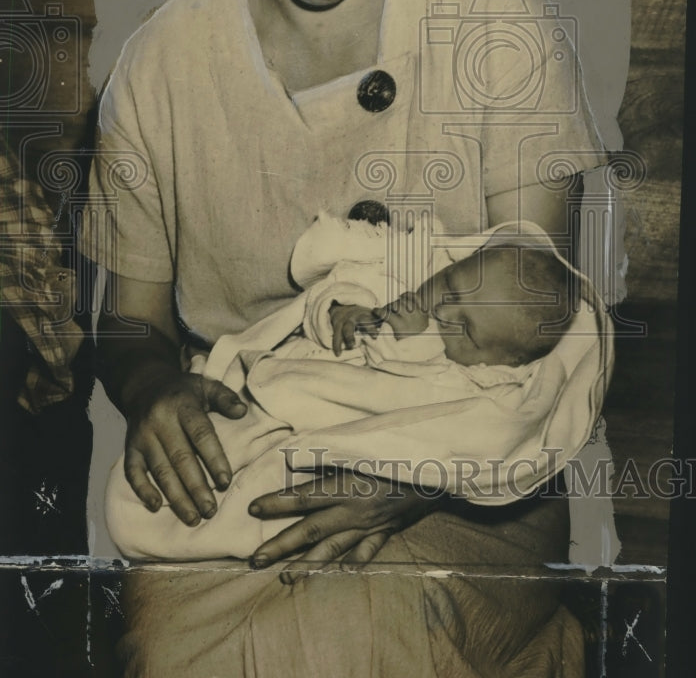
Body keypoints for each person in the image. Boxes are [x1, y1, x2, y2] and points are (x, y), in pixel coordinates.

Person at [81, 0, 608, 676]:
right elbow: (128, 327)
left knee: (351, 644)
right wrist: (155, 391)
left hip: (472, 486)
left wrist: (408, 476)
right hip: (250, 472)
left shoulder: (503, 24)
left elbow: (543, 321)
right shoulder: (159, 66)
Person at [105, 213, 611, 563]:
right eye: (452, 288)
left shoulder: (485, 384)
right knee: (217, 444)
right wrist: (343, 310)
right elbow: (339, 288)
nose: (442, 314)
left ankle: (206, 534)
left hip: (338, 447)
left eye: (468, 329)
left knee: (270, 496)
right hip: (280, 388)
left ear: (504, 361)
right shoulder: (407, 285)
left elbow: (477, 437)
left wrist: (407, 346)